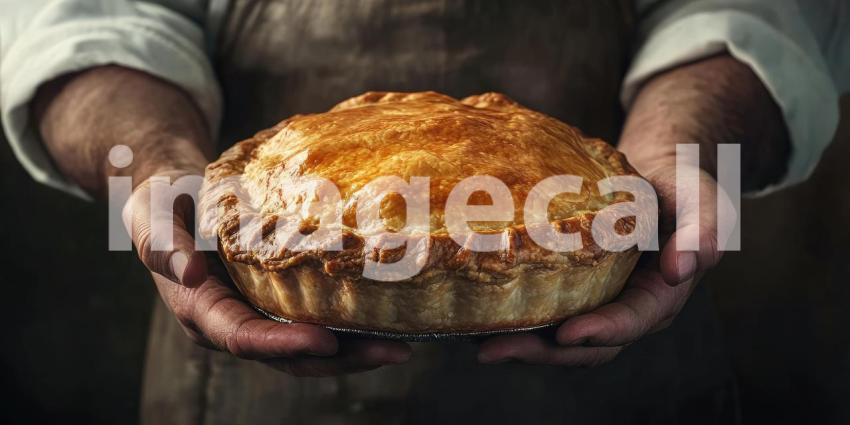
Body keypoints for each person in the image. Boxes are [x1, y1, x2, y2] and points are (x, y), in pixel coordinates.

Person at [1, 0, 847, 423]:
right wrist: (153, 167)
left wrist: (684, 153)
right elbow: (80, 17)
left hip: (633, 370)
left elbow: (761, 10)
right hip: (240, 379)